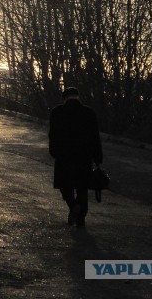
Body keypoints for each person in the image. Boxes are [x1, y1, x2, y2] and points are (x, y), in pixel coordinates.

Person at [48, 86, 103, 228]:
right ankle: (81, 219)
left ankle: (73, 206)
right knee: (82, 187)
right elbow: (95, 137)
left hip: (64, 155)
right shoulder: (88, 112)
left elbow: (52, 135)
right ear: (78, 97)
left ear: (64, 98)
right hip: (84, 156)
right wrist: (97, 158)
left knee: (64, 186)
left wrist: (54, 151)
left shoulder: (57, 112)